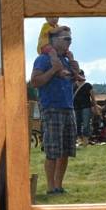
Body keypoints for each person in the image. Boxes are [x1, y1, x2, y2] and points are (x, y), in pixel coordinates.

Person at [31, 26, 77, 195]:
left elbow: (74, 79)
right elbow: (35, 82)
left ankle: (59, 185)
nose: (70, 42)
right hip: (51, 108)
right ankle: (51, 187)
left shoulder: (65, 59)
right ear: (54, 40)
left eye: (70, 39)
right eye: (67, 39)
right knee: (52, 150)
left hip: (68, 107)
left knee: (65, 150)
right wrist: (53, 70)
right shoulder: (43, 59)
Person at [73, 71, 98, 148]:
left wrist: (95, 107)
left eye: (81, 74)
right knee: (77, 124)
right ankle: (79, 140)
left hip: (86, 107)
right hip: (76, 107)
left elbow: (93, 98)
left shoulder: (88, 85)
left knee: (86, 124)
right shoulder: (73, 85)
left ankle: (85, 142)